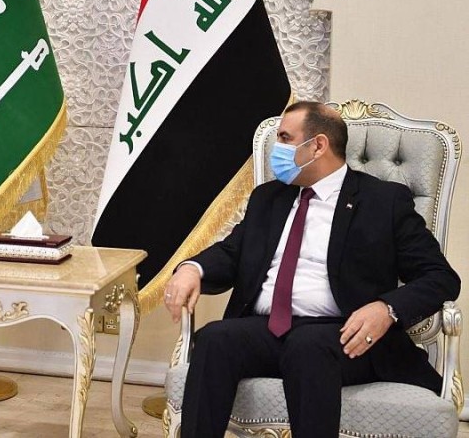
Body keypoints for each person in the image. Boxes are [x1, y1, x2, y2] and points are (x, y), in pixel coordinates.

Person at [163, 101, 460, 438]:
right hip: (268, 329)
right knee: (215, 339)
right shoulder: (268, 198)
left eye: (285, 138)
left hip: (343, 335)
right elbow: (232, 253)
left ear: (318, 145)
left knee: (308, 346)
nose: (277, 148)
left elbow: (440, 277)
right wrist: (192, 269)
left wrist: (386, 309)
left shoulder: (383, 201)